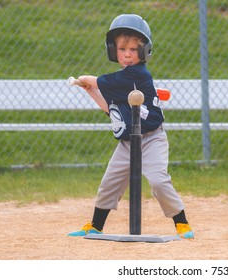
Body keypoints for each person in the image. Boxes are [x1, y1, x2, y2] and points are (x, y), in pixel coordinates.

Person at [67, 14, 194, 239]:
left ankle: (181, 223)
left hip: (151, 138)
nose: (127, 54)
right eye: (122, 48)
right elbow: (110, 108)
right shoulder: (120, 79)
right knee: (110, 182)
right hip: (128, 142)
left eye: (134, 49)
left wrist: (86, 78)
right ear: (112, 50)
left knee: (158, 180)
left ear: (143, 52)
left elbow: (103, 81)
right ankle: (96, 226)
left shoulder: (138, 74)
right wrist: (90, 91)